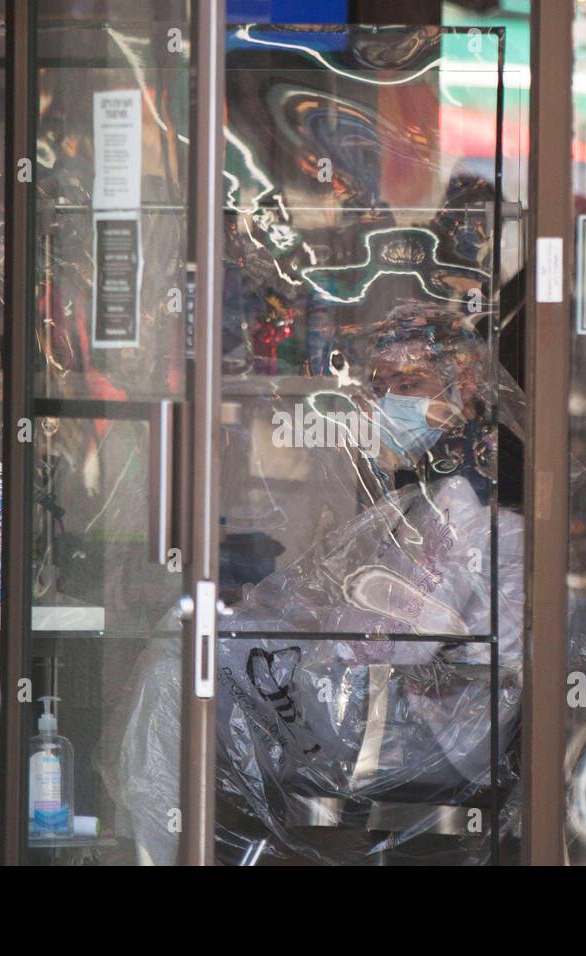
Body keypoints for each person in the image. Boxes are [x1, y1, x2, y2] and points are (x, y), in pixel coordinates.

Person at [107, 301, 526, 865]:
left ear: (464, 387)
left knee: (178, 669)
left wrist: (303, 635)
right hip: (379, 707)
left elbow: (403, 643)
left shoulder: (480, 513)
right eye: (381, 387)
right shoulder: (428, 497)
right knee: (189, 645)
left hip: (418, 731)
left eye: (409, 382)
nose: (389, 402)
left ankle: (159, 851)